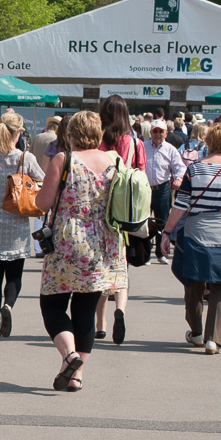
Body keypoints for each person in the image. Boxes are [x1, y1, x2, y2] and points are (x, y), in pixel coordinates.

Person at [34, 111, 124, 392]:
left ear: (71, 133)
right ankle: (76, 375)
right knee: (86, 311)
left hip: (67, 242)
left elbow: (43, 203)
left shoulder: (65, 159)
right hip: (104, 243)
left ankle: (69, 356)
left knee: (52, 304)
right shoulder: (116, 161)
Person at [161, 122, 221, 355]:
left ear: (208, 142)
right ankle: (213, 339)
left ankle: (197, 331)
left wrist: (167, 232)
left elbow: (180, 204)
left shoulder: (195, 170)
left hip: (197, 232)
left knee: (193, 282)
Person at [0, 111, 43, 337]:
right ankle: (8, 306)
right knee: (14, 275)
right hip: (17, 220)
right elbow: (42, 181)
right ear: (18, 133)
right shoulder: (25, 158)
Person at [95, 96, 144, 343]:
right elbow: (141, 173)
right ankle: (120, 310)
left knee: (101, 266)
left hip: (99, 207)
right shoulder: (132, 141)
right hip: (123, 211)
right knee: (120, 266)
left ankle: (100, 323)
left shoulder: (98, 139)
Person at [144, 116, 186, 264]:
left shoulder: (171, 150)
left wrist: (179, 179)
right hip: (145, 189)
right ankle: (146, 254)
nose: (158, 134)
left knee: (162, 221)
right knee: (145, 222)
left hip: (163, 189)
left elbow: (179, 167)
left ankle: (160, 253)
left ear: (166, 133)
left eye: (161, 131)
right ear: (151, 132)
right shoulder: (143, 147)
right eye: (155, 131)